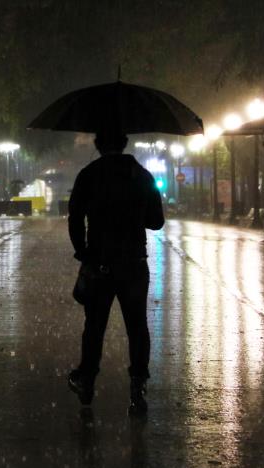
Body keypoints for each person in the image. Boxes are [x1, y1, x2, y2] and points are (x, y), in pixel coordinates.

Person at [67, 131, 164, 415]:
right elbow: (156, 222)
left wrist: (82, 250)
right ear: (125, 144)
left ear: (98, 145)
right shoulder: (141, 175)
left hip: (99, 264)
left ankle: (87, 379)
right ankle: (138, 385)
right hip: (134, 263)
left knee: (95, 326)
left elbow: (75, 217)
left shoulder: (89, 174)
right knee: (137, 326)